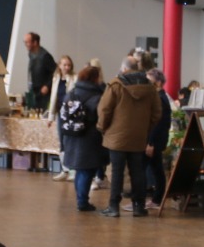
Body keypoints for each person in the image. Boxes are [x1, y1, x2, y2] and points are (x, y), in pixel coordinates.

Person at [96, 54, 165, 218]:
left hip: (116, 137)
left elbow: (104, 110)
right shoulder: (149, 87)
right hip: (139, 137)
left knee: (117, 172)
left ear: (124, 68)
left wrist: (102, 128)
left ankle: (113, 207)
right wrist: (146, 129)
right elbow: (157, 113)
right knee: (138, 171)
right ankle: (139, 207)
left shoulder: (115, 85)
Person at [57, 64, 107, 213]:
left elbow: (62, 117)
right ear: (95, 78)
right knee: (87, 171)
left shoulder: (72, 93)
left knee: (80, 170)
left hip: (72, 136)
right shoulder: (97, 96)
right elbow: (101, 117)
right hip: (90, 139)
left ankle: (81, 199)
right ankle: (82, 202)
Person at [143, 68, 172, 211]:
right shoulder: (160, 97)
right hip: (157, 140)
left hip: (155, 141)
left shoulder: (159, 99)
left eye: (149, 81)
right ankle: (156, 199)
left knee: (152, 169)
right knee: (156, 168)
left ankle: (149, 200)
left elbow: (157, 123)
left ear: (158, 83)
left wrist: (150, 143)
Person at [48, 54, 77, 179]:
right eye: (64, 65)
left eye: (69, 65)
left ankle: (72, 170)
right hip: (60, 114)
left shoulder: (74, 78)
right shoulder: (56, 78)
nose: (66, 67)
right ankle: (64, 169)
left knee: (70, 141)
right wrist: (50, 117)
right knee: (62, 141)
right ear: (59, 66)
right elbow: (53, 98)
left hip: (71, 114)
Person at [23, 32, 59, 112]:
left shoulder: (45, 56)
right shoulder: (31, 54)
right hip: (35, 90)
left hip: (44, 93)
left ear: (35, 42)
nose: (25, 44)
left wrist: (47, 85)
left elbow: (56, 72)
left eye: (27, 42)